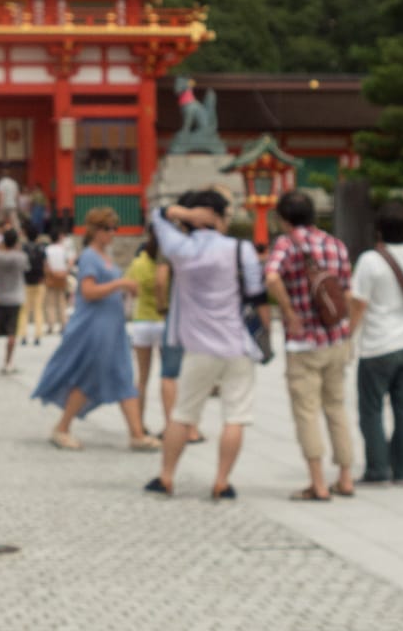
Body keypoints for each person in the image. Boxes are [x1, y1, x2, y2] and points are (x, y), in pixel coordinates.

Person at [147, 191, 266, 500]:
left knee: (183, 414)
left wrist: (183, 215)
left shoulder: (179, 249)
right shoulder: (240, 249)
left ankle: (166, 476)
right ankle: (221, 482)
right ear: (218, 217)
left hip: (198, 344)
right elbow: (256, 293)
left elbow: (156, 216)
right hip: (236, 343)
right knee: (235, 416)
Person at [32, 207, 159, 451]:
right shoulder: (90, 256)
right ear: (95, 231)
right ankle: (62, 427)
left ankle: (136, 433)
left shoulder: (104, 255)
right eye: (108, 229)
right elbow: (88, 292)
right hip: (95, 325)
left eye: (114, 228)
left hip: (112, 325)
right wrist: (120, 283)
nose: (112, 233)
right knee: (90, 375)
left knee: (123, 374)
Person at [263, 189, 357, 501]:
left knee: (307, 412)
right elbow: (346, 291)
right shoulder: (335, 244)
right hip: (335, 337)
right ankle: (345, 477)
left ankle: (317, 482)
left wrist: (289, 313)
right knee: (337, 408)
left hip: (304, 342)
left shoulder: (288, 244)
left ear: (283, 218)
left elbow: (272, 276)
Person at [351, 201, 403, 486]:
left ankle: (378, 468)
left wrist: (349, 336)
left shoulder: (370, 260)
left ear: (379, 230)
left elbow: (359, 303)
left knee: (371, 410)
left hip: (377, 345)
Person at [125, 224, 169, 433]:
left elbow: (131, 291)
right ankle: (169, 423)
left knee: (142, 378)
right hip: (163, 321)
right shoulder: (167, 263)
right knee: (167, 377)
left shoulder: (138, 262)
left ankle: (138, 424)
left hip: (142, 322)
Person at [0, 227, 29, 373]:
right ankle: (8, 363)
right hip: (15, 297)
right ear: (16, 241)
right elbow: (26, 268)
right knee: (12, 332)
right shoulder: (20, 257)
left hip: (0, 296)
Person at [42, 228, 73, 338]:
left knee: (50, 302)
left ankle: (51, 325)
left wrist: (50, 272)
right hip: (62, 275)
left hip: (51, 275)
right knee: (62, 301)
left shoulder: (47, 249)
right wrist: (65, 271)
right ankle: (64, 325)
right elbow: (70, 261)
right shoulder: (63, 249)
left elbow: (46, 263)